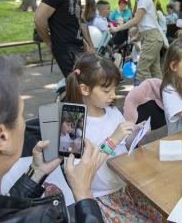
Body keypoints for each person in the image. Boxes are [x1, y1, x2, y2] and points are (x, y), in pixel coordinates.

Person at [0, 55, 108, 222]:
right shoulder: (42, 219)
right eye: (21, 115)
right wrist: (83, 192)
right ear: (1, 136)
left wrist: (36, 173)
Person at [65, 53, 163, 222]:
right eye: (106, 90)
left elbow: (124, 144)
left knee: (161, 215)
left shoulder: (111, 110)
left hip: (126, 187)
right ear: (85, 89)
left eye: (114, 89)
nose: (113, 95)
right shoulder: (72, 121)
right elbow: (77, 175)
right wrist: (113, 139)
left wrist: (136, 135)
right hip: (101, 198)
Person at [34, 0, 94, 77]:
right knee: (80, 88)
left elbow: (81, 21)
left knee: (86, 85)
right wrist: (49, 43)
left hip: (78, 48)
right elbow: (39, 19)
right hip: (66, 51)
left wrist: (90, 46)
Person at [109, 0, 163, 83]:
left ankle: (152, 95)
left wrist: (117, 29)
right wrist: (137, 36)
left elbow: (136, 20)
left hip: (152, 38)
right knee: (154, 70)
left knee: (141, 70)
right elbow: (145, 24)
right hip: (152, 38)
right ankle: (159, 95)